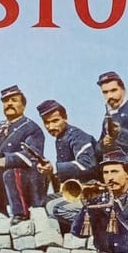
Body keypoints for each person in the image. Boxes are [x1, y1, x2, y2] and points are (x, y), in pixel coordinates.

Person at [0, 85, 46, 224]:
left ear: (23, 105)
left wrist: (6, 160)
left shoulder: (31, 128)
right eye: (5, 101)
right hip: (1, 178)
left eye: (14, 100)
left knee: (11, 173)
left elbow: (32, 155)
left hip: (27, 177)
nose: (9, 104)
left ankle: (21, 214)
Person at [36, 98, 98, 229]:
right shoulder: (60, 138)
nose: (50, 127)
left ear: (65, 118)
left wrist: (54, 169)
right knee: (41, 202)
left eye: (55, 121)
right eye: (46, 123)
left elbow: (87, 164)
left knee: (54, 208)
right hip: (76, 191)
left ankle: (98, 224)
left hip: (92, 192)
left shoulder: (77, 136)